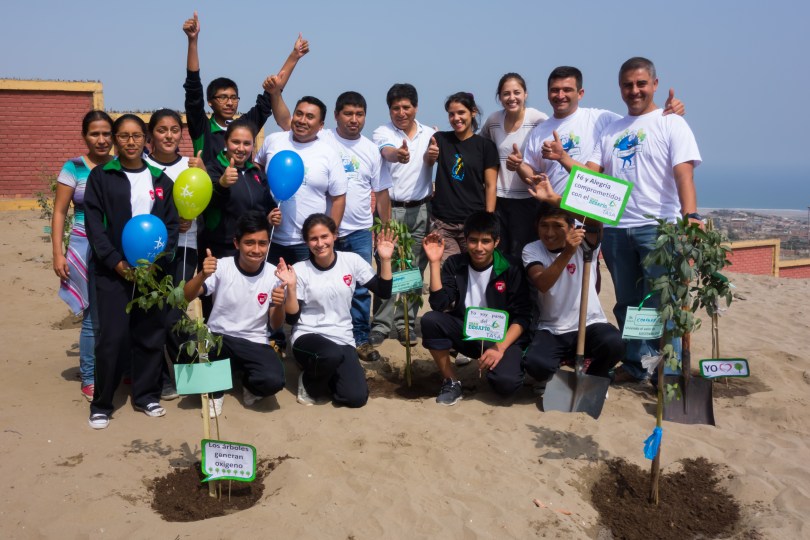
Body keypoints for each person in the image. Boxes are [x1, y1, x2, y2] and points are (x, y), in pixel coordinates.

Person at [560, 57, 702, 383]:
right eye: (627, 85)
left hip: (659, 229)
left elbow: (684, 174)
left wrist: (690, 215)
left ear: (654, 84)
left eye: (640, 84)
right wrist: (564, 161)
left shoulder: (671, 123)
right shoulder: (611, 129)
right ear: (620, 88)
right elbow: (591, 174)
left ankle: (669, 372)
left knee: (663, 303)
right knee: (629, 304)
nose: (634, 90)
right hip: (616, 230)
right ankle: (638, 365)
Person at [84, 114, 179, 429]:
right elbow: (95, 228)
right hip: (113, 272)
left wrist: (156, 262)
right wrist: (116, 263)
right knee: (111, 338)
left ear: (146, 138)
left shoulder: (161, 180)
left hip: (152, 272)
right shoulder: (101, 176)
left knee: (149, 335)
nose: (130, 142)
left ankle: (146, 395)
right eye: (123, 136)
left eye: (137, 135)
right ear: (115, 139)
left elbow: (171, 228)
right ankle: (102, 403)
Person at [275, 213, 395, 408]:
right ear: (306, 242)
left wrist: (385, 259)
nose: (320, 243)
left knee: (355, 398)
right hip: (308, 335)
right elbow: (292, 317)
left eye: (324, 236)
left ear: (334, 236)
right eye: (313, 238)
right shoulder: (300, 269)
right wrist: (292, 287)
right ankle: (308, 382)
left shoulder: (351, 261)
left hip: (343, 337)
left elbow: (384, 291)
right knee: (330, 355)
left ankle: (326, 371)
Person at [183, 211, 288, 417]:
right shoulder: (222, 266)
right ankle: (216, 391)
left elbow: (276, 325)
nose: (256, 250)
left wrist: (280, 304)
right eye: (249, 243)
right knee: (190, 360)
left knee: (273, 381)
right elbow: (187, 296)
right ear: (236, 243)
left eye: (262, 243)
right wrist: (202, 274)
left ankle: (246, 382)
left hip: (254, 340)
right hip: (218, 337)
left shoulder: (274, 274)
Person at [420, 211, 531, 405]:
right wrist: (435, 262)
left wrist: (499, 347)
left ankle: (511, 365)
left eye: (485, 241)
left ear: (496, 242)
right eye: (473, 241)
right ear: (466, 240)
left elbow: (523, 316)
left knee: (506, 385)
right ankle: (451, 381)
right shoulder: (456, 264)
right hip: (467, 332)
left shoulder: (511, 267)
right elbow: (439, 304)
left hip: (501, 337)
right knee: (430, 320)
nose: (479, 248)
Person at [182, 11, 309, 166]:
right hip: (212, 189)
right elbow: (193, 88)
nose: (230, 103)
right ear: (210, 102)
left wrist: (294, 56)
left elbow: (272, 94)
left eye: (234, 97)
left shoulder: (245, 126)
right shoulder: (202, 128)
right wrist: (192, 41)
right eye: (223, 97)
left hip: (244, 189)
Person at [521, 199, 624, 386]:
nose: (550, 233)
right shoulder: (532, 249)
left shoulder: (586, 243)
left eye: (558, 226)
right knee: (536, 365)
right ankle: (562, 363)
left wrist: (554, 198)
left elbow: (595, 222)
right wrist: (567, 253)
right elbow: (543, 283)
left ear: (571, 227)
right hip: (552, 328)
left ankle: (593, 375)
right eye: (544, 225)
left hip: (589, 323)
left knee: (615, 344)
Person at [52, 110, 113, 402]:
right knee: (93, 317)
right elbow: (60, 212)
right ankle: (88, 377)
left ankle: (119, 368)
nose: (101, 140)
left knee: (120, 313)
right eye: (94, 134)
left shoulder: (120, 165)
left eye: (106, 134)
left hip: (117, 248)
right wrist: (57, 254)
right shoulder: (74, 167)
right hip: (83, 247)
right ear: (84, 136)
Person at [324, 92, 391, 362]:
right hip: (325, 231)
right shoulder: (323, 140)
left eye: (359, 114)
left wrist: (386, 228)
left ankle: (361, 339)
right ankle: (326, 337)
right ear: (336, 115)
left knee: (361, 287)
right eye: (348, 114)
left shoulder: (371, 150)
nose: (354, 120)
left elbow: (382, 192)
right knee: (325, 285)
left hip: (360, 230)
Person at [369, 83, 435, 347]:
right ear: (390, 110)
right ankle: (381, 324)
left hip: (420, 208)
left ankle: (406, 323)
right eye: (395, 107)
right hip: (389, 209)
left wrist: (432, 156)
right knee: (388, 265)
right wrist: (399, 154)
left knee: (414, 268)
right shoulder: (382, 131)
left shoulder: (430, 134)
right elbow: (387, 151)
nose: (401, 112)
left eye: (406, 107)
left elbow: (433, 160)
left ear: (415, 108)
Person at [144, 108, 202, 400]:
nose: (169, 135)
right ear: (151, 134)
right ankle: (162, 378)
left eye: (174, 130)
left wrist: (192, 217)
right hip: (147, 251)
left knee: (174, 312)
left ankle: (186, 374)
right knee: (151, 314)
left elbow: (203, 199)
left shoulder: (191, 167)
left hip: (184, 247)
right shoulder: (140, 165)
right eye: (162, 130)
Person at [254, 96, 348, 266]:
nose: (302, 120)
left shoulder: (328, 153)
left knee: (307, 291)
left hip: (308, 242)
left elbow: (338, 198)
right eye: (299, 114)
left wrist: (330, 233)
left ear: (320, 126)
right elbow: (256, 167)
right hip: (269, 237)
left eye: (310, 117)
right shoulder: (273, 141)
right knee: (269, 289)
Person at [479, 73, 548, 257]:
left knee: (524, 253)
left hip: (528, 199)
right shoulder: (493, 121)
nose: (512, 98)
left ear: (525, 94)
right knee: (500, 254)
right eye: (506, 93)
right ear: (499, 97)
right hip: (499, 199)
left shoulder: (538, 119)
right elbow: (480, 146)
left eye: (516, 92)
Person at [424, 92, 499, 260]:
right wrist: (431, 155)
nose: (456, 118)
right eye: (451, 114)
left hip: (473, 223)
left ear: (472, 112)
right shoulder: (440, 139)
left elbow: (491, 185)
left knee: (474, 271)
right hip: (443, 222)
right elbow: (427, 162)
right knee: (449, 272)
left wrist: (488, 220)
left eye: (461, 112)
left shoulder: (486, 146)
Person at [203, 118, 281, 259]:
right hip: (223, 247)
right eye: (236, 142)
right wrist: (222, 184)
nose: (241, 148)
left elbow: (267, 204)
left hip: (254, 247)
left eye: (247, 144)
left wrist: (271, 216)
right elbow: (207, 204)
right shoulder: (214, 169)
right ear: (226, 142)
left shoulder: (256, 173)